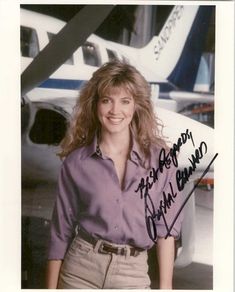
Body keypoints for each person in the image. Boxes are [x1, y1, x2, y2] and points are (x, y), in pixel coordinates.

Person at [46, 61, 183, 289]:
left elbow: (166, 231)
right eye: (107, 100)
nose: (115, 111)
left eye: (125, 101)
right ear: (95, 105)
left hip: (133, 274)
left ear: (137, 106)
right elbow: (60, 233)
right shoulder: (76, 163)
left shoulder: (161, 160)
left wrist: (166, 287)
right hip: (80, 271)